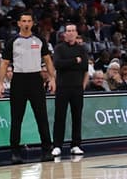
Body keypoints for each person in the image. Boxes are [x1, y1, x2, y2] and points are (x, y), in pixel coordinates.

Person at [0, 12, 55, 164]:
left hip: (36, 80)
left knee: (42, 117)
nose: (26, 23)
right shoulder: (12, 41)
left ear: (32, 23)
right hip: (19, 80)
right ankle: (15, 152)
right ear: (19, 23)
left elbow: (48, 61)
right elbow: (4, 63)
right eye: (23, 21)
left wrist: (52, 79)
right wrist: (0, 84)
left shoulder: (39, 40)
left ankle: (47, 150)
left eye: (29, 21)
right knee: (17, 118)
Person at [51, 23, 88, 158]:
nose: (71, 33)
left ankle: (76, 145)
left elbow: (84, 66)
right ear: (65, 34)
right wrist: (74, 61)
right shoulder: (59, 48)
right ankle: (57, 146)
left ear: (76, 32)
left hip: (77, 88)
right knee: (59, 117)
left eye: (73, 30)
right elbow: (58, 64)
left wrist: (72, 63)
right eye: (68, 31)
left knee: (77, 117)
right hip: (62, 87)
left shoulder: (81, 49)